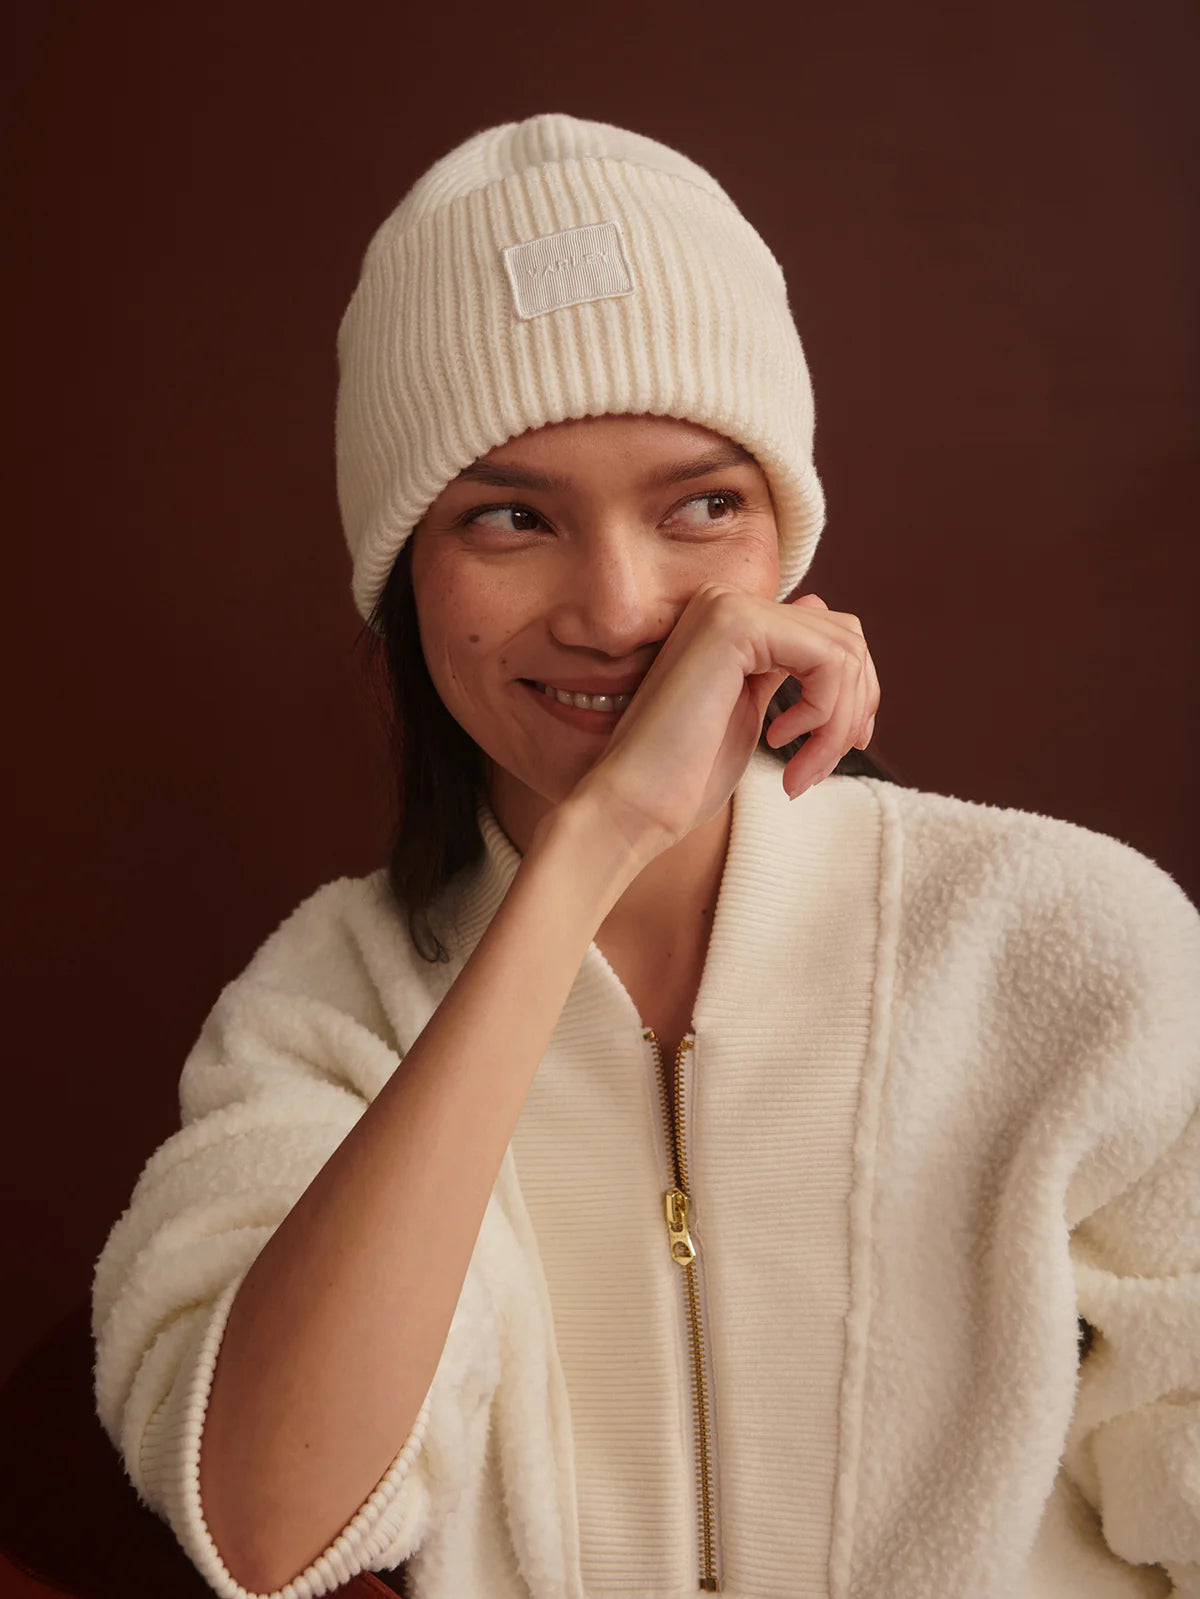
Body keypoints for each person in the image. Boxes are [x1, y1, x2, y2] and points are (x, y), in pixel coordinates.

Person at [91, 113, 1200, 1599]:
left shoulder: (1078, 948)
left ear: (786, 545)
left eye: (700, 506)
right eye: (508, 517)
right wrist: (595, 851)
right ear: (401, 574)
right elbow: (259, 1525)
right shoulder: (320, 1014)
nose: (615, 606)